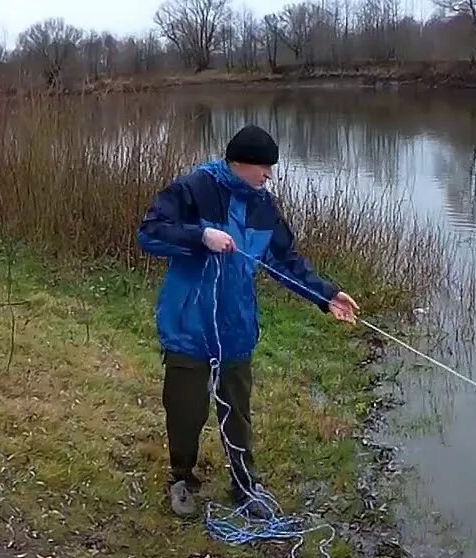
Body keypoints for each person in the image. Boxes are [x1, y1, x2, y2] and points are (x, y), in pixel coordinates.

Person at [136, 124, 360, 519]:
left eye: (271, 169)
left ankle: (245, 484)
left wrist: (327, 297)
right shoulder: (194, 188)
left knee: (237, 409)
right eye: (263, 168)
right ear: (239, 162)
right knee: (185, 409)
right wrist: (201, 235)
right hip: (189, 324)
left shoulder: (263, 206)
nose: (269, 176)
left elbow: (286, 263)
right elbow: (150, 233)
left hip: (236, 326)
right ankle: (181, 479)